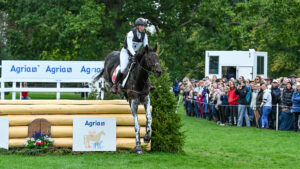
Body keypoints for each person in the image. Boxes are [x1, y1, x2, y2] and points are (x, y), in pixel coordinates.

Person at [111, 18, 149, 94]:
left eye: (144, 26)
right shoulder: (131, 33)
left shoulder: (144, 35)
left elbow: (146, 47)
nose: (143, 28)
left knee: (143, 67)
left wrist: (147, 54)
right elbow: (129, 46)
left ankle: (147, 84)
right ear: (137, 26)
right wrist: (135, 55)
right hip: (126, 52)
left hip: (135, 53)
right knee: (123, 69)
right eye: (141, 26)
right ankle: (115, 85)